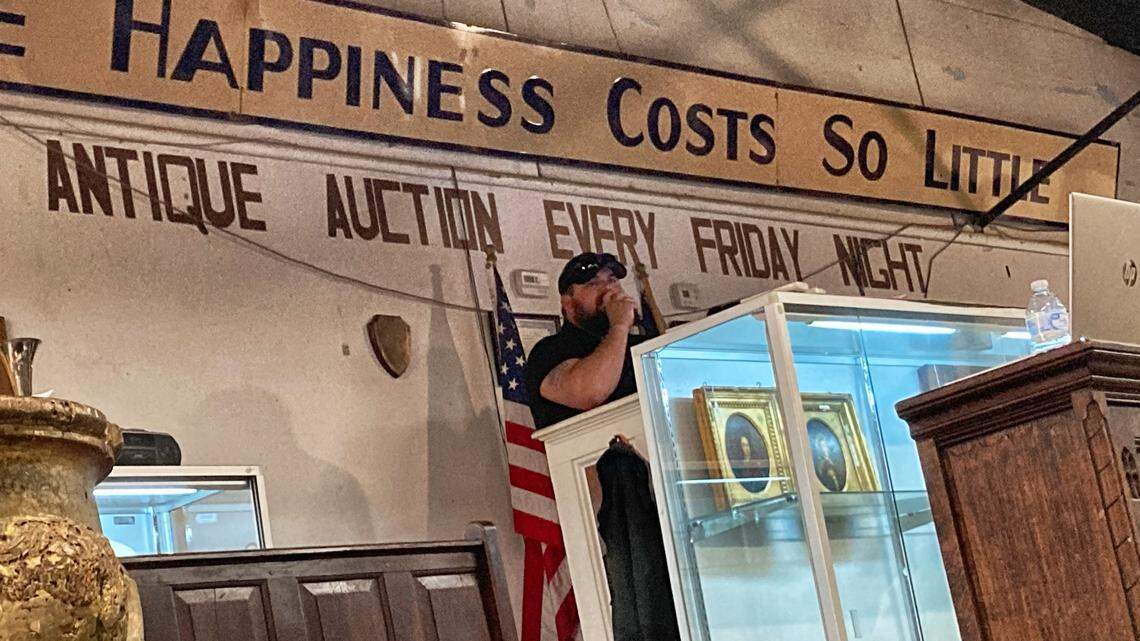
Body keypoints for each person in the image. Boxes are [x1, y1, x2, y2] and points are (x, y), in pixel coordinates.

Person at [525, 252, 648, 429]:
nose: (608, 289)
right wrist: (620, 326)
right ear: (567, 302)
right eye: (593, 284)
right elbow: (591, 393)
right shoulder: (548, 351)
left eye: (612, 280)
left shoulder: (641, 346)